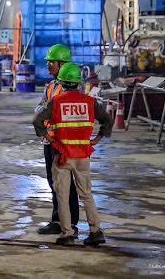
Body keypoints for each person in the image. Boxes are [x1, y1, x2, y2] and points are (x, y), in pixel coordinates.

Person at [32, 63, 112, 246]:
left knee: (62, 196)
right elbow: (107, 120)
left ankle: (67, 233)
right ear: (78, 82)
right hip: (83, 155)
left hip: (62, 156)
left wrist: (49, 138)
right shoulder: (89, 101)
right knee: (86, 195)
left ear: (61, 81)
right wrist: (97, 138)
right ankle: (96, 231)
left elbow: (37, 120)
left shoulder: (56, 101)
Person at [35, 44, 80, 235]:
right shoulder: (51, 86)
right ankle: (58, 219)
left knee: (66, 183)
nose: (48, 65)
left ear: (62, 64)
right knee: (54, 181)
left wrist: (47, 115)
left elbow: (56, 113)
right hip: (50, 140)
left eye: (51, 62)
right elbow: (40, 108)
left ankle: (71, 222)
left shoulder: (68, 88)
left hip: (63, 143)